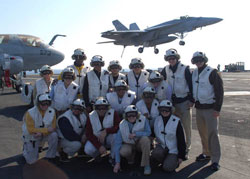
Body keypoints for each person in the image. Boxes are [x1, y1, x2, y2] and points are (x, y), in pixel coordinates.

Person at [191, 51, 223, 171]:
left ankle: (215, 160)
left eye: (201, 60)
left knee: (213, 134)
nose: (199, 62)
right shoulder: (194, 73)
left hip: (210, 108)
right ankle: (206, 153)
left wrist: (217, 109)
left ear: (205, 60)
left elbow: (219, 91)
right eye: (196, 60)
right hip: (199, 108)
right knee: (202, 133)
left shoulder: (212, 72)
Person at [161, 48, 193, 156]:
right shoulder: (166, 69)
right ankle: (174, 148)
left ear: (177, 58)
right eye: (169, 58)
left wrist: (191, 100)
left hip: (184, 102)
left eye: (173, 58)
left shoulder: (185, 68)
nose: (171, 60)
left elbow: (191, 84)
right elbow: (160, 81)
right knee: (173, 127)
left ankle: (186, 149)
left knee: (186, 127)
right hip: (172, 103)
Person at [113, 105, 151, 175]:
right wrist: (117, 163)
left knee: (146, 140)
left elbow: (148, 132)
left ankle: (146, 165)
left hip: (139, 143)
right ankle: (131, 158)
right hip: (129, 144)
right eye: (129, 115)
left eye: (133, 115)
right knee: (123, 151)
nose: (131, 117)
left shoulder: (143, 119)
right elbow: (117, 143)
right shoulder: (122, 124)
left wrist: (136, 134)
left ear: (137, 115)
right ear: (125, 116)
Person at [22, 94, 58, 164]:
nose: (46, 106)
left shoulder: (52, 111)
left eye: (48, 103)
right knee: (31, 161)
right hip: (32, 136)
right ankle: (25, 149)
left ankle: (50, 156)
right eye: (43, 103)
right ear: (38, 103)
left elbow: (53, 127)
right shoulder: (30, 112)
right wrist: (46, 130)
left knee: (54, 135)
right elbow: (30, 129)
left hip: (42, 134)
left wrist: (42, 133)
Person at [151, 100, 186, 172]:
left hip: (173, 150)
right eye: (162, 109)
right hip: (162, 147)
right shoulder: (157, 119)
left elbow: (181, 140)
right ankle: (166, 160)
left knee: (167, 168)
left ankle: (173, 162)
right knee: (155, 153)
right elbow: (153, 133)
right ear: (159, 110)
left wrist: (181, 156)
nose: (164, 112)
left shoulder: (176, 121)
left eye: (167, 110)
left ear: (171, 110)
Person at [84, 97, 121, 162]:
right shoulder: (91, 115)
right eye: (98, 108)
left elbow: (118, 126)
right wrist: (99, 146)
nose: (101, 110)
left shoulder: (113, 113)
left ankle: (113, 157)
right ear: (95, 108)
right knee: (88, 149)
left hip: (109, 138)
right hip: (97, 138)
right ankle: (97, 155)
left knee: (116, 136)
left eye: (104, 108)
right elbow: (89, 133)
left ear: (108, 108)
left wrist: (107, 131)